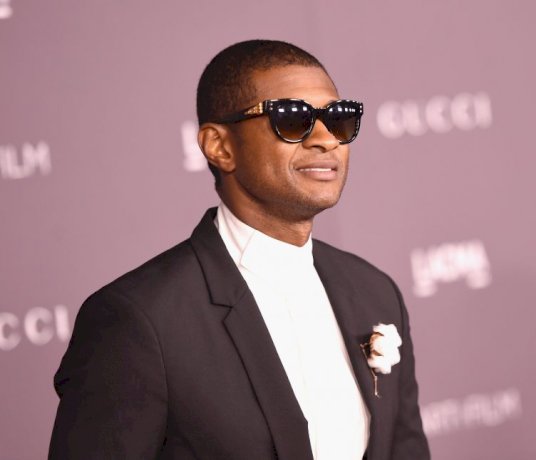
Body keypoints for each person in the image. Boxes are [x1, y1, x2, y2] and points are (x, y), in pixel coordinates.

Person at [49, 39, 430, 460]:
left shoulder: (375, 291)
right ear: (220, 146)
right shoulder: (138, 320)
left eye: (338, 119)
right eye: (293, 117)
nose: (325, 139)